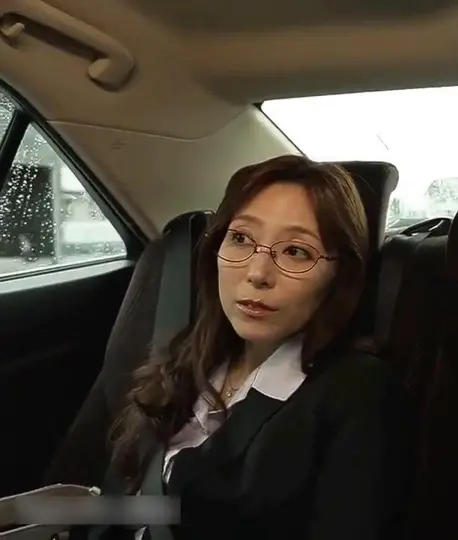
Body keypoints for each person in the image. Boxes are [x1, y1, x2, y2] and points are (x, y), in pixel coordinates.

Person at [74, 155, 389, 539]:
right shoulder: (194, 352)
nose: (257, 273)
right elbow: (137, 503)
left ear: (339, 275)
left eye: (296, 251)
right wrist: (34, 511)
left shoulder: (354, 389)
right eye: (241, 239)